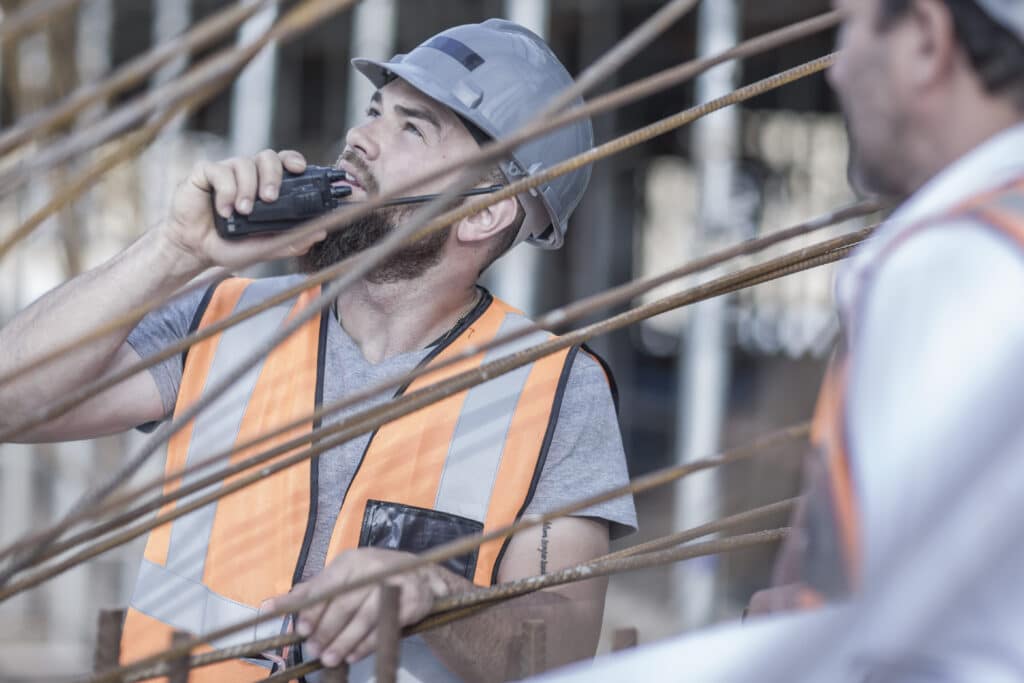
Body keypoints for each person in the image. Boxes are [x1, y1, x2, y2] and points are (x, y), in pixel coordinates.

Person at [0, 19, 636, 682]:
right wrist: (174, 252)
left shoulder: (556, 390)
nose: (360, 139)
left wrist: (435, 594)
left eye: (411, 128)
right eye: (374, 112)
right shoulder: (226, 318)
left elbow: (559, 650)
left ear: (483, 211)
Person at [537, 0, 1024, 680]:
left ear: (924, 38)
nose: (837, 73)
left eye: (848, 30)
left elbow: (896, 651)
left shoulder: (956, 260)